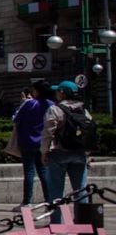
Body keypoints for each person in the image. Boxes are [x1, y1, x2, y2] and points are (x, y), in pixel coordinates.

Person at [42, 80, 95, 209]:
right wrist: (87, 153)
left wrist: (44, 152)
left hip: (59, 153)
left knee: (55, 192)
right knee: (81, 191)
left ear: (62, 93)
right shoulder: (83, 110)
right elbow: (89, 132)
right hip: (79, 153)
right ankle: (84, 221)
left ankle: (57, 223)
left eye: (57, 91)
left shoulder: (55, 109)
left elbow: (48, 133)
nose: (55, 94)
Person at [11, 82, 56, 209]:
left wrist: (23, 103)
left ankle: (27, 202)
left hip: (28, 141)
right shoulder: (51, 105)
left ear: (36, 91)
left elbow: (16, 119)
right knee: (43, 171)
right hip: (44, 142)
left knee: (29, 171)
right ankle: (49, 199)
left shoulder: (30, 103)